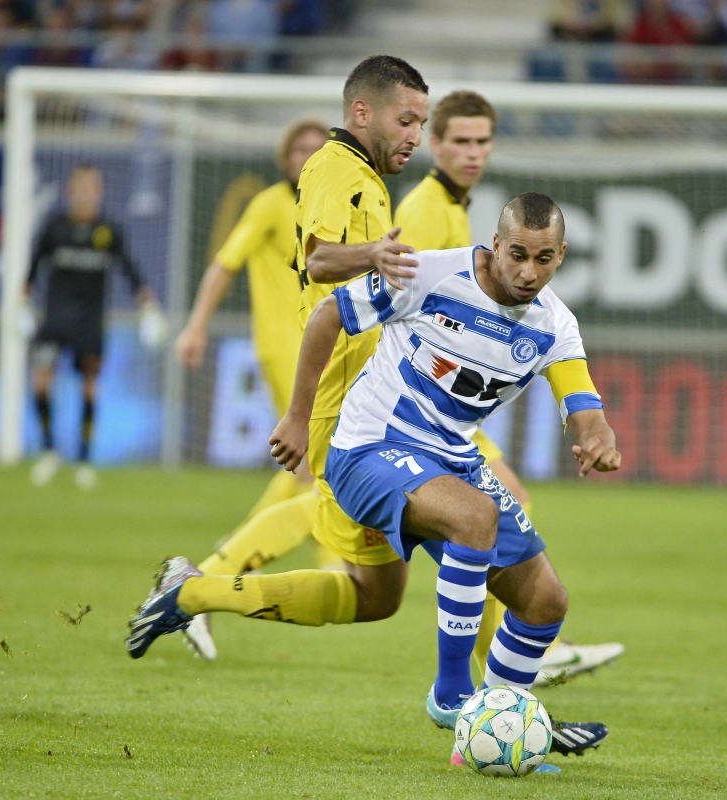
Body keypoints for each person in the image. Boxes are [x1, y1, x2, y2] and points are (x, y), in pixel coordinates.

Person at [126, 56, 609, 760]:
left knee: (383, 591)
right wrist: (375, 266)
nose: (419, 136)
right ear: (364, 114)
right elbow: (323, 264)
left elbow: (573, 384)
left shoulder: (400, 194)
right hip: (354, 412)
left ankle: (495, 707)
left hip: (415, 418)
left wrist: (591, 424)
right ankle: (465, 701)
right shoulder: (344, 174)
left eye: (471, 136)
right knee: (459, 518)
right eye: (412, 121)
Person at [395, 90, 624, 687]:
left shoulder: (553, 320)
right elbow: (385, 312)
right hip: (402, 417)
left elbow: (581, 397)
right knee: (475, 522)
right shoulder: (428, 217)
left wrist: (596, 431)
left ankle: (501, 675)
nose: (528, 271)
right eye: (460, 141)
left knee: (379, 591)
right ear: (433, 142)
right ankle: (474, 683)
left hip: (452, 427)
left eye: (482, 141)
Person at [172, 120, 330, 658]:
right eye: (299, 149)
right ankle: (232, 567)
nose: (308, 157)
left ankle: (229, 553)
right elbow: (223, 265)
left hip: (329, 348)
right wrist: (195, 326)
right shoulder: (268, 204)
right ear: (285, 158)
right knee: (313, 464)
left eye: (317, 149)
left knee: (319, 465)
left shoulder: (331, 207)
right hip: (288, 349)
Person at [26, 164, 154, 490]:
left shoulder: (108, 232)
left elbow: (131, 272)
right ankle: (49, 452)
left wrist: (149, 309)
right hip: (55, 322)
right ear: (70, 191)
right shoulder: (53, 228)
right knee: (40, 384)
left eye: (92, 188)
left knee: (89, 387)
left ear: (100, 193)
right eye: (80, 188)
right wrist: (21, 307)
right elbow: (31, 271)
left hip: (89, 325)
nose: (86, 195)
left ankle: (83, 460)